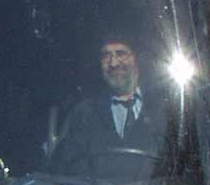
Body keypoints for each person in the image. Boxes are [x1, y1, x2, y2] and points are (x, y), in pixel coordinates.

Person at [51, 33, 168, 172]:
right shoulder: (83, 114)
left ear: (136, 58)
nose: (113, 63)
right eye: (106, 56)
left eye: (121, 53)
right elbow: (60, 171)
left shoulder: (166, 108)